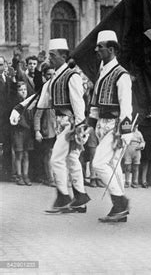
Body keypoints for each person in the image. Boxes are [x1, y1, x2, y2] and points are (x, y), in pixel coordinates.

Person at [36, 38, 90, 214]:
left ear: (64, 56)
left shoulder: (72, 76)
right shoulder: (54, 78)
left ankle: (64, 199)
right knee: (72, 160)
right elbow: (42, 101)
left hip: (70, 125)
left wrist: (80, 127)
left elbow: (78, 104)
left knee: (56, 159)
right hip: (60, 124)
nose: (49, 59)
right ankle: (80, 200)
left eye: (53, 55)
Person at [89, 30, 134, 223]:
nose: (97, 49)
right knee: (114, 167)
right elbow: (95, 102)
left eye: (101, 46)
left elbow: (126, 107)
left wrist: (124, 133)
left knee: (99, 163)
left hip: (116, 127)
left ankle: (120, 202)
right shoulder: (102, 71)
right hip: (102, 125)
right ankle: (119, 211)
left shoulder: (121, 75)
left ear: (112, 49)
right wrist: (90, 124)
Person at [33, 63, 56, 187]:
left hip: (59, 129)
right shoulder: (43, 93)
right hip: (48, 130)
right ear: (44, 76)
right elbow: (37, 115)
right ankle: (50, 178)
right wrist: (37, 131)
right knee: (49, 153)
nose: (51, 77)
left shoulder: (59, 91)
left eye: (53, 74)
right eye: (48, 75)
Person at [9, 82, 34, 186]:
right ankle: (19, 176)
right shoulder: (15, 104)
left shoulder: (29, 102)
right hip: (18, 131)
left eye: (25, 89)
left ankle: (25, 175)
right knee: (19, 154)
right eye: (21, 90)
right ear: (17, 91)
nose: (23, 91)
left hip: (27, 132)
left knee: (26, 154)